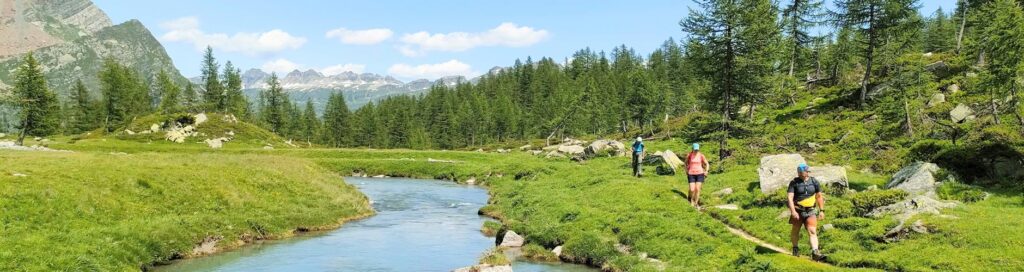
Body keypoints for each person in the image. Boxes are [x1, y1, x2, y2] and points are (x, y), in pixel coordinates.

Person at [787, 163, 826, 260]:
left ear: (807, 172)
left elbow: (819, 196)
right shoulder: (794, 183)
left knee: (812, 231)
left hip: (811, 210)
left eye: (802, 172)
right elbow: (790, 198)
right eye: (799, 172)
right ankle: (795, 248)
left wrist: (821, 210)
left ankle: (815, 252)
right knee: (796, 230)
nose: (800, 174)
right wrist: (793, 211)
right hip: (797, 210)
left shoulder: (814, 182)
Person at [686, 143, 710, 209]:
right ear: (692, 149)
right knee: (692, 189)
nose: (696, 151)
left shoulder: (701, 156)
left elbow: (707, 163)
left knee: (697, 189)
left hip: (700, 173)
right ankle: (690, 196)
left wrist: (706, 171)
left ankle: (695, 202)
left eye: (697, 150)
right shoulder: (689, 155)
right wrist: (686, 170)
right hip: (691, 173)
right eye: (695, 150)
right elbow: (685, 163)